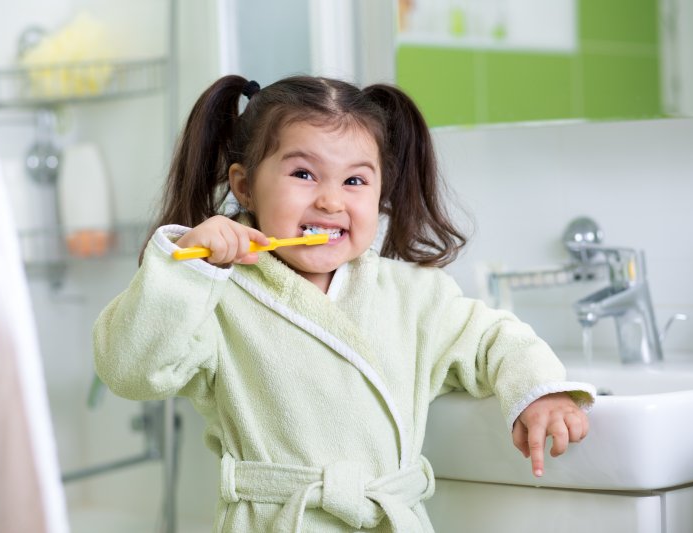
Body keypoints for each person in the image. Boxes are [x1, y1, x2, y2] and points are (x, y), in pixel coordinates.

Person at [93, 75, 595, 532]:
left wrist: (538, 391)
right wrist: (186, 268)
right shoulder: (213, 295)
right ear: (244, 186)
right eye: (304, 175)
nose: (332, 201)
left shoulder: (414, 295)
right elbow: (130, 370)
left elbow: (493, 339)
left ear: (379, 194)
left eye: (355, 181)